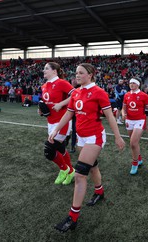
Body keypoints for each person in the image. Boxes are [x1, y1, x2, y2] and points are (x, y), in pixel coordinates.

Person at [49, 63, 125, 232]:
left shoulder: (99, 92)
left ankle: (72, 217)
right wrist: (55, 129)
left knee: (79, 175)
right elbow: (69, 113)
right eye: (76, 73)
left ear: (90, 75)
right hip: (82, 138)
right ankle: (99, 192)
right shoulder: (75, 92)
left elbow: (110, 117)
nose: (77, 75)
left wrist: (118, 136)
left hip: (95, 137)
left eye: (81, 73)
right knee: (92, 166)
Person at [40, 62, 75, 185]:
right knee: (59, 148)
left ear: (54, 71)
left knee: (49, 149)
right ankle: (70, 171)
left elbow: (76, 95)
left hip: (63, 121)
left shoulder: (61, 83)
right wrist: (41, 110)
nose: (44, 71)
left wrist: (61, 104)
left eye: (46, 69)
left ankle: (65, 169)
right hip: (50, 121)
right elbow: (45, 103)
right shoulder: (43, 86)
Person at [122, 77, 148, 174]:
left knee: (133, 143)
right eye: (130, 83)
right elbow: (123, 108)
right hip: (129, 121)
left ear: (138, 84)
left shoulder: (144, 95)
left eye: (133, 83)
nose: (131, 85)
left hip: (139, 120)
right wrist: (123, 114)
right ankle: (139, 159)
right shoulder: (126, 95)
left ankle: (134, 163)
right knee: (134, 143)